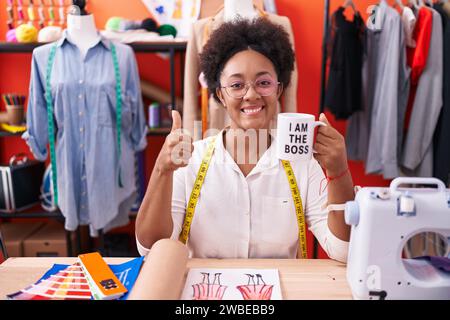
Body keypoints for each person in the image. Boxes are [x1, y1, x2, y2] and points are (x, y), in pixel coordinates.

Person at [135, 18, 354, 262]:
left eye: (263, 83)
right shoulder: (190, 161)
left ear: (279, 90)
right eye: (237, 85)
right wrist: (161, 170)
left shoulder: (301, 164)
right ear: (220, 94)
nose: (251, 95)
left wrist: (338, 170)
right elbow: (150, 248)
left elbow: (343, 250)